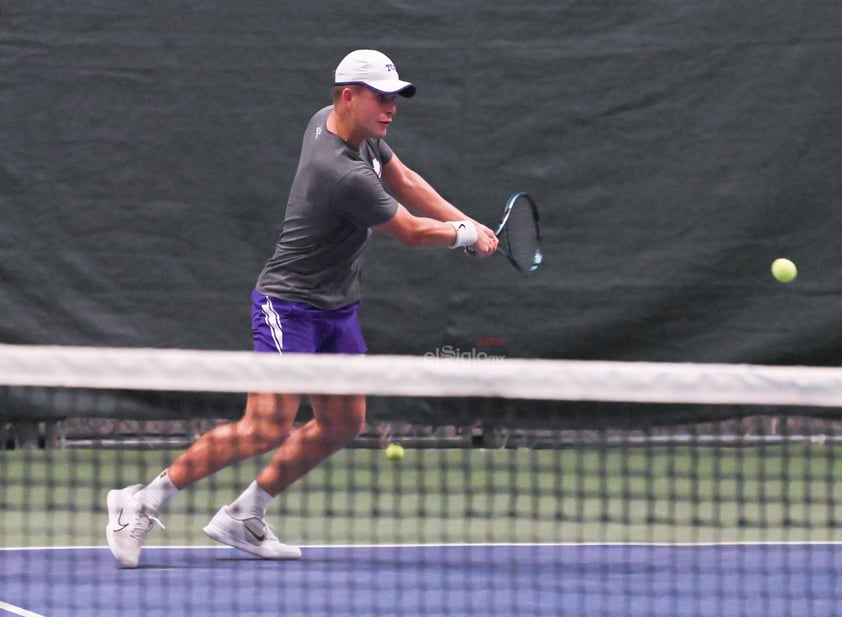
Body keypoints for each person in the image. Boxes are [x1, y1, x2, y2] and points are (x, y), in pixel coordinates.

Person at [105, 49, 498, 568]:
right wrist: (464, 234)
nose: (391, 108)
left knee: (342, 422)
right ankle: (139, 502)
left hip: (338, 307)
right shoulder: (340, 170)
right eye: (381, 98)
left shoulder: (337, 125)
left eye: (395, 98)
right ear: (348, 96)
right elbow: (407, 230)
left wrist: (469, 223)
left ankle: (244, 516)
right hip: (288, 306)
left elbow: (403, 178)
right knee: (264, 426)